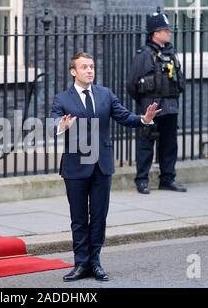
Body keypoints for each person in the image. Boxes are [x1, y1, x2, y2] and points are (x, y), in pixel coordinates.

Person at [50, 52, 161, 282]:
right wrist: (62, 125)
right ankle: (81, 264)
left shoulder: (105, 94)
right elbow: (53, 125)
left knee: (99, 216)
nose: (89, 70)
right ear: (73, 72)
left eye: (91, 67)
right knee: (79, 218)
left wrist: (144, 119)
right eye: (84, 67)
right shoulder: (62, 98)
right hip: (75, 167)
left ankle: (95, 262)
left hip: (102, 166)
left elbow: (123, 116)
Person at [126, 12, 187, 195]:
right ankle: (142, 180)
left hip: (170, 107)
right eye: (165, 30)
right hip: (151, 107)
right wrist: (144, 103)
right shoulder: (144, 55)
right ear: (155, 33)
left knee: (169, 145)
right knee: (146, 143)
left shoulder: (171, 53)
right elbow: (131, 84)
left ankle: (168, 179)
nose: (169, 33)